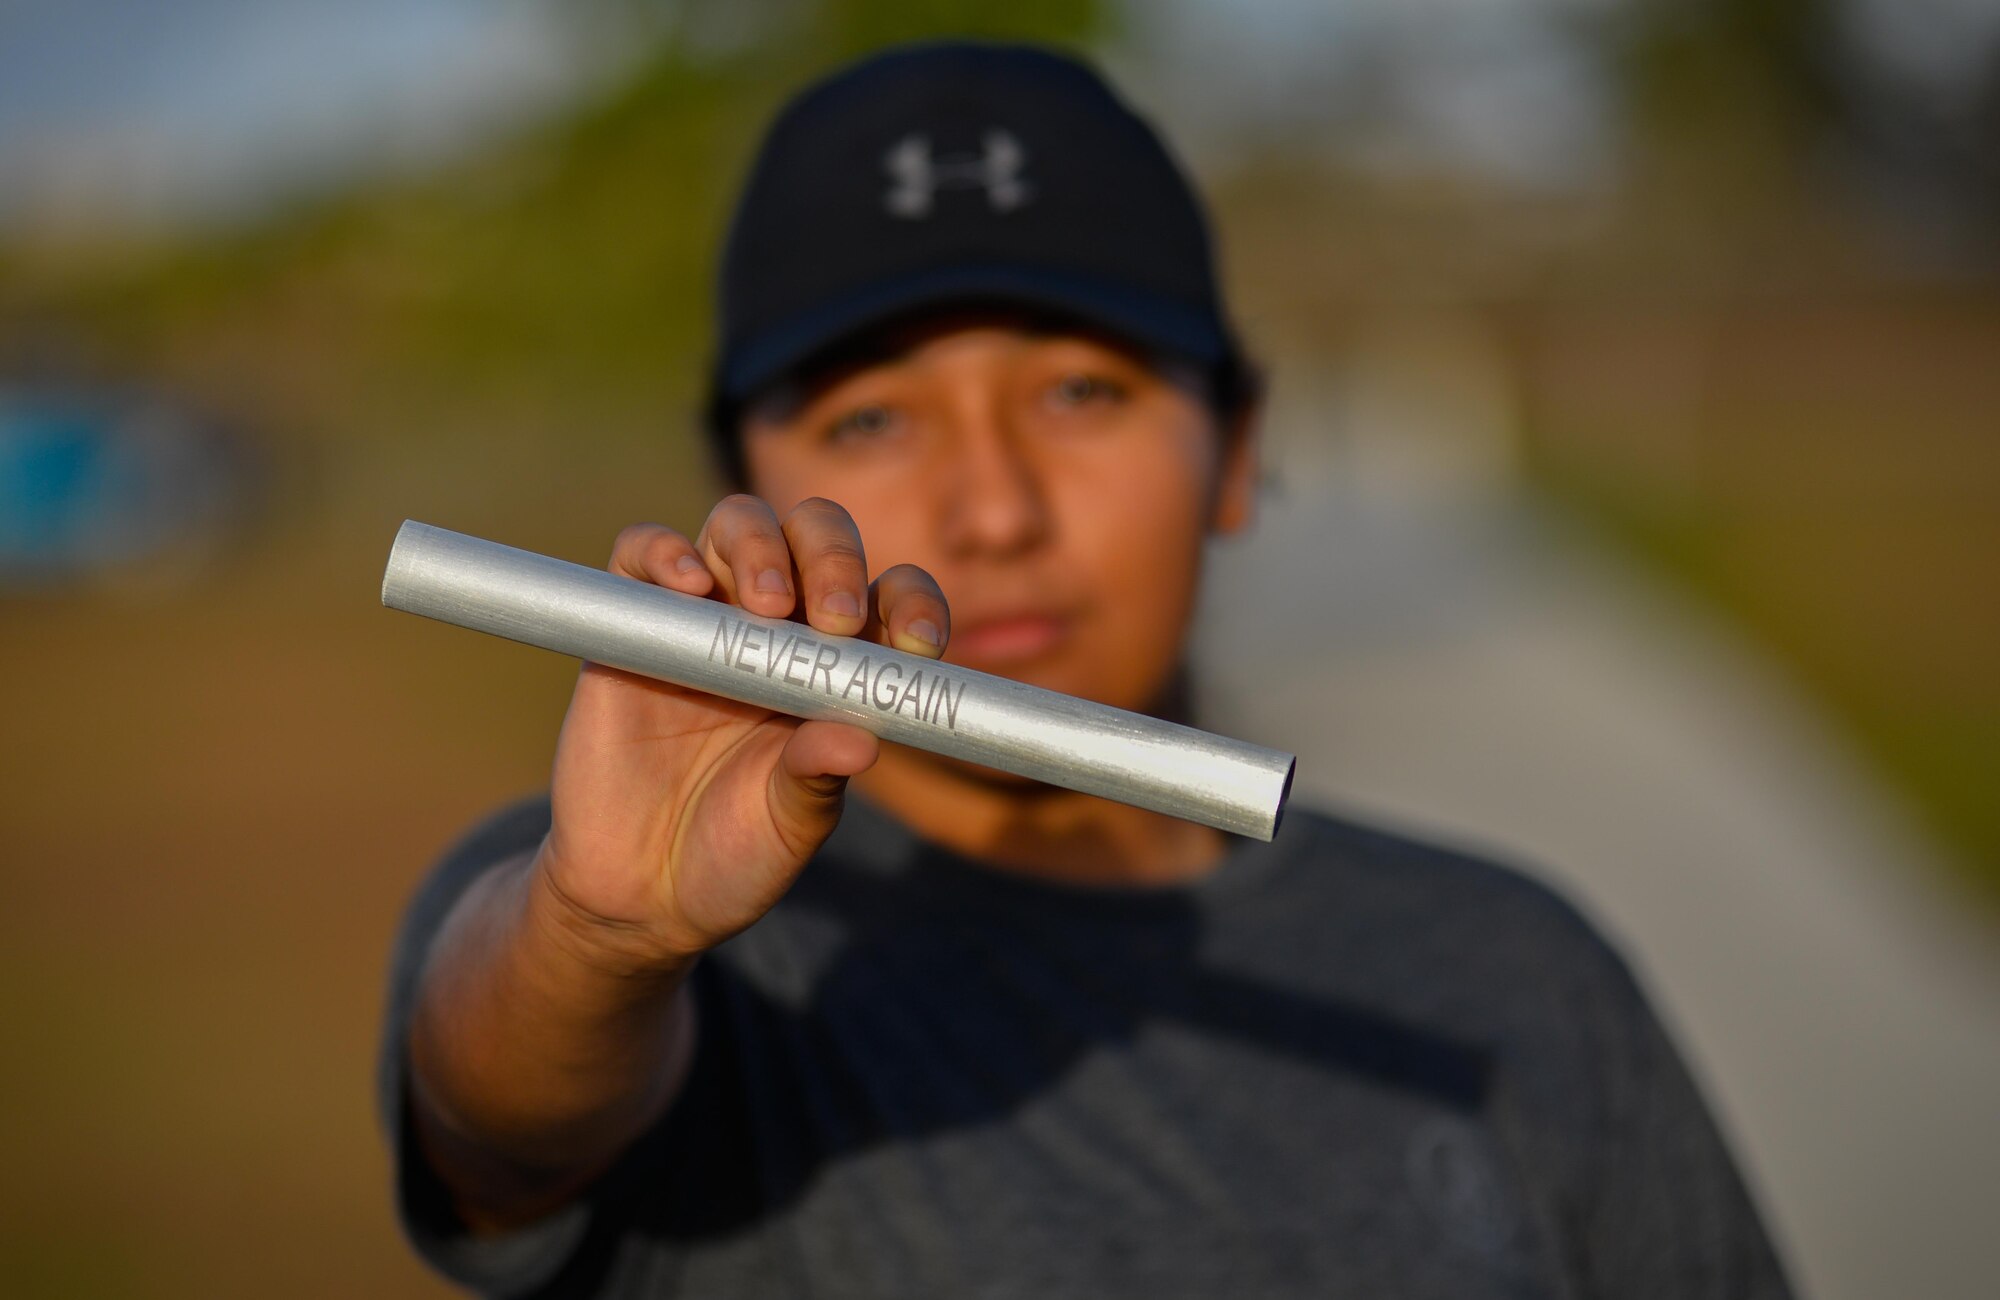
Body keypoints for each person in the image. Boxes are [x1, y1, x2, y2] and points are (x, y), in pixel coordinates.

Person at [379, 41, 1794, 1299]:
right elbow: (503, 1121)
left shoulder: (1510, 969)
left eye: (1080, 392)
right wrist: (597, 943)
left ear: (1236, 450)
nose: (993, 509)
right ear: (740, 475)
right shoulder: (628, 931)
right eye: (873, 417)